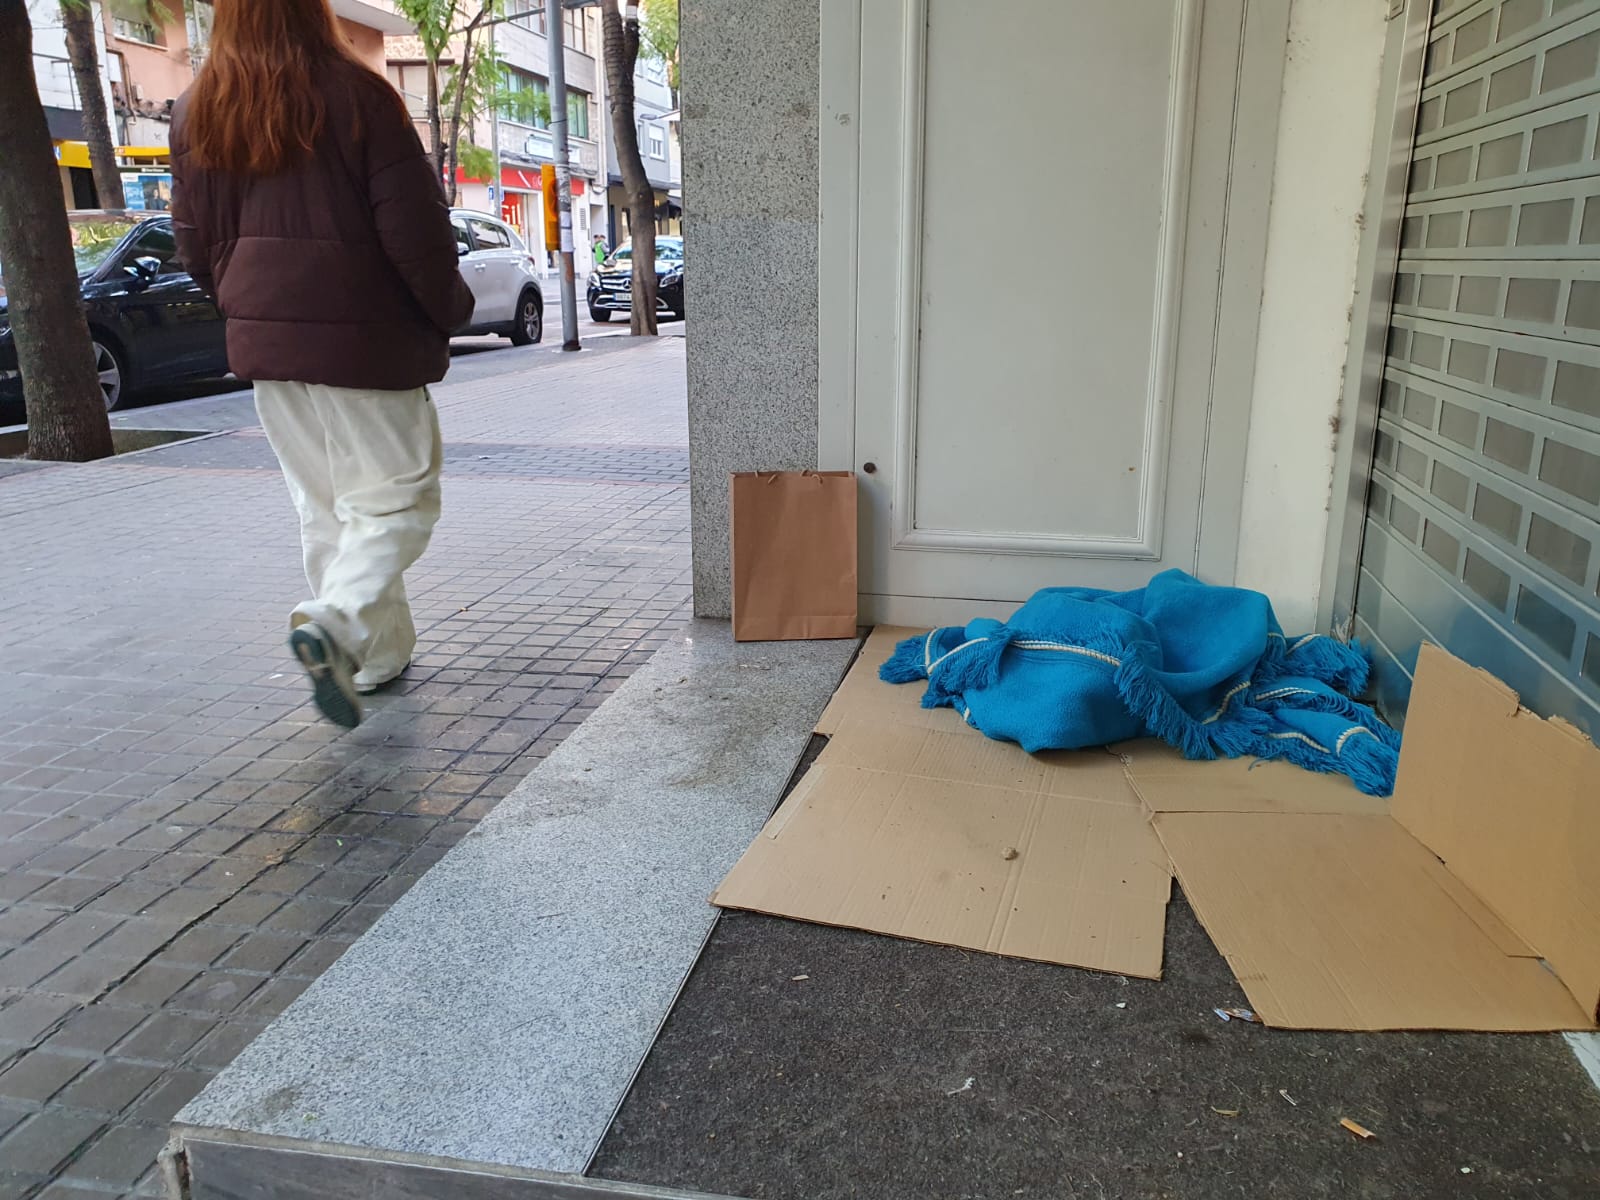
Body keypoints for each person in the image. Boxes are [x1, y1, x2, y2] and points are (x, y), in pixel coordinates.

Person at [170, 0, 473, 729]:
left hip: (269, 346)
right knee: (396, 502)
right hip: (364, 339)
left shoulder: (196, 110)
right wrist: (450, 308)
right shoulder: (358, 96)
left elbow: (191, 240)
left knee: (328, 506)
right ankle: (335, 624)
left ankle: (372, 657)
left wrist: (249, 302)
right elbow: (414, 228)